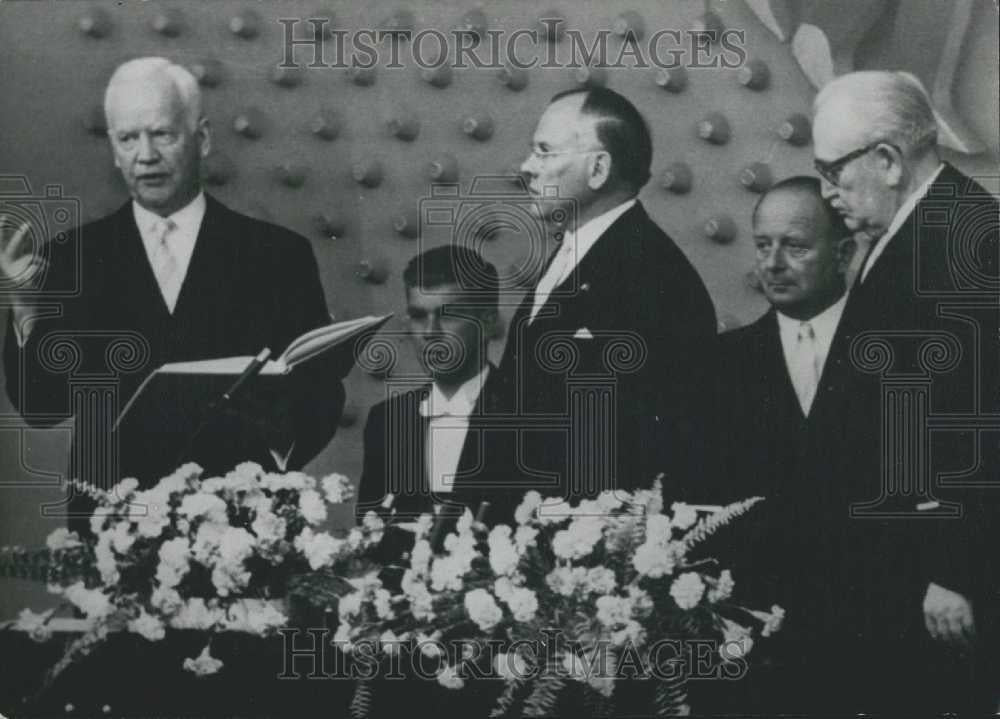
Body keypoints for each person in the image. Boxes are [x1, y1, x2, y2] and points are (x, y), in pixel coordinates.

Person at [0, 57, 345, 532]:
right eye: (127, 138)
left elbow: (321, 394)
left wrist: (267, 472)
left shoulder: (277, 255)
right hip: (111, 534)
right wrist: (24, 310)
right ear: (114, 152)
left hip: (245, 532)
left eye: (162, 134)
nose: (145, 155)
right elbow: (42, 407)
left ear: (201, 139)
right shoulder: (71, 256)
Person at [810, 70, 999, 711]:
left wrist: (954, 570)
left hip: (936, 581)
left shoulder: (967, 241)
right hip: (898, 565)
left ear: (888, 161)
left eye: (831, 171)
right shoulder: (920, 227)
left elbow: (982, 421)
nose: (825, 192)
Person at [499, 87, 717, 503]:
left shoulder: (652, 276)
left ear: (598, 168)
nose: (527, 168)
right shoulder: (577, 252)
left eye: (545, 152)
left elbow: (635, 447)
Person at [711, 177, 855, 711]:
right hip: (759, 642)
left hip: (875, 633)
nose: (772, 263)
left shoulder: (894, 352)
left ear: (843, 253)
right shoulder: (719, 365)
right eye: (763, 244)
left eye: (795, 246)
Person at [357, 244, 526, 529]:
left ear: (486, 321)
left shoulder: (529, 416)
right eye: (419, 316)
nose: (430, 333)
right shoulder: (385, 420)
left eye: (448, 315)